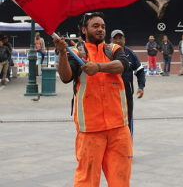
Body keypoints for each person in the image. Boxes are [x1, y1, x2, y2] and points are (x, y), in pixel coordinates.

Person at [53, 12, 133, 187]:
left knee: (120, 180)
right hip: (90, 128)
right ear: (84, 30)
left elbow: (123, 66)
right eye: (95, 26)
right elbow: (66, 77)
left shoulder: (113, 49)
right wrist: (62, 53)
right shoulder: (76, 53)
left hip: (119, 128)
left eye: (103, 26)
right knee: (86, 181)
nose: (100, 29)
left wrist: (98, 67)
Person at [111, 29, 145, 136]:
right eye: (115, 39)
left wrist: (141, 86)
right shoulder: (106, 54)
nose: (118, 41)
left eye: (120, 38)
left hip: (126, 94)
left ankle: (128, 148)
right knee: (111, 121)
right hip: (110, 95)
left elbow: (140, 71)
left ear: (124, 40)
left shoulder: (131, 54)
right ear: (111, 40)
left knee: (127, 120)